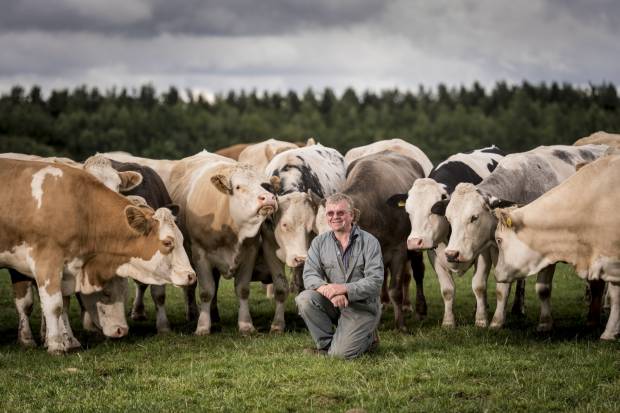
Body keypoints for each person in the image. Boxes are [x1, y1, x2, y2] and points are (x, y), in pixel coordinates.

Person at [295, 193, 384, 359]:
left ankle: (369, 338)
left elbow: (375, 281)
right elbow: (309, 275)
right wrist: (328, 290)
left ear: (352, 215)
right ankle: (326, 346)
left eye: (340, 213)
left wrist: (343, 289)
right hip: (334, 302)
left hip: (362, 307)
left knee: (340, 356)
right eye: (330, 213)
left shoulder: (370, 242)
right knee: (304, 299)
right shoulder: (319, 243)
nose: (335, 217)